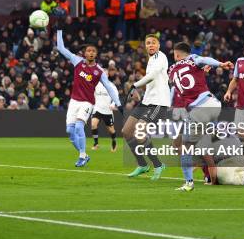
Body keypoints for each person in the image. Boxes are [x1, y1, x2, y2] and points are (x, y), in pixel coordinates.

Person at [168, 42, 233, 191]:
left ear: (176, 54)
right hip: (213, 104)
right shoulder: (193, 60)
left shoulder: (172, 70)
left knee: (184, 147)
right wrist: (220, 64)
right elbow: (205, 60)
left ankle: (189, 183)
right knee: (202, 144)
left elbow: (185, 81)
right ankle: (212, 171)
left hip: (198, 109)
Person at [56, 30, 122, 167]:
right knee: (70, 131)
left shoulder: (98, 71)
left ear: (96, 54)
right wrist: (59, 30)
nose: (91, 53)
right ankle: (84, 155)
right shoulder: (77, 61)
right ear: (84, 53)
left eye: (93, 51)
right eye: (88, 51)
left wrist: (118, 104)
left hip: (87, 102)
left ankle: (81, 156)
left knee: (80, 126)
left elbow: (110, 88)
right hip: (74, 101)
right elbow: (61, 48)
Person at [121, 34, 170, 180]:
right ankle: (142, 165)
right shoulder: (151, 60)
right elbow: (152, 82)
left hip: (159, 102)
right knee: (126, 131)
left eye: (153, 43)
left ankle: (158, 164)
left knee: (140, 133)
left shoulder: (161, 57)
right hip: (147, 101)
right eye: (148, 43)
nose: (151, 45)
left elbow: (153, 75)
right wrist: (140, 95)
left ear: (159, 45)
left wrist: (134, 85)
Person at [91, 70, 120, 152]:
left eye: (104, 74)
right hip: (98, 109)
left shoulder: (111, 86)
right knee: (93, 124)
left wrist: (113, 104)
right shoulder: (96, 84)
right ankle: (96, 144)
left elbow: (116, 97)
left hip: (107, 110)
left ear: (107, 75)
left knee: (111, 130)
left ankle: (114, 142)